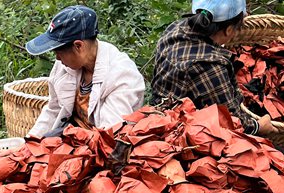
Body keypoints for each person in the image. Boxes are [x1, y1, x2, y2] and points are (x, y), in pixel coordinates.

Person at [151, 0, 279, 137]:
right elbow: (231, 122)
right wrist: (258, 127)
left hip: (160, 105)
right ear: (229, 30)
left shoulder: (175, 28)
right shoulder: (210, 66)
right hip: (177, 130)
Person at [25, 5, 145, 138]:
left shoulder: (122, 76)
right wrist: (30, 141)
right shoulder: (65, 65)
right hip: (71, 138)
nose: (57, 58)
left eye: (59, 52)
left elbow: (108, 136)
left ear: (78, 46)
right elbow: (54, 109)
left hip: (102, 148)